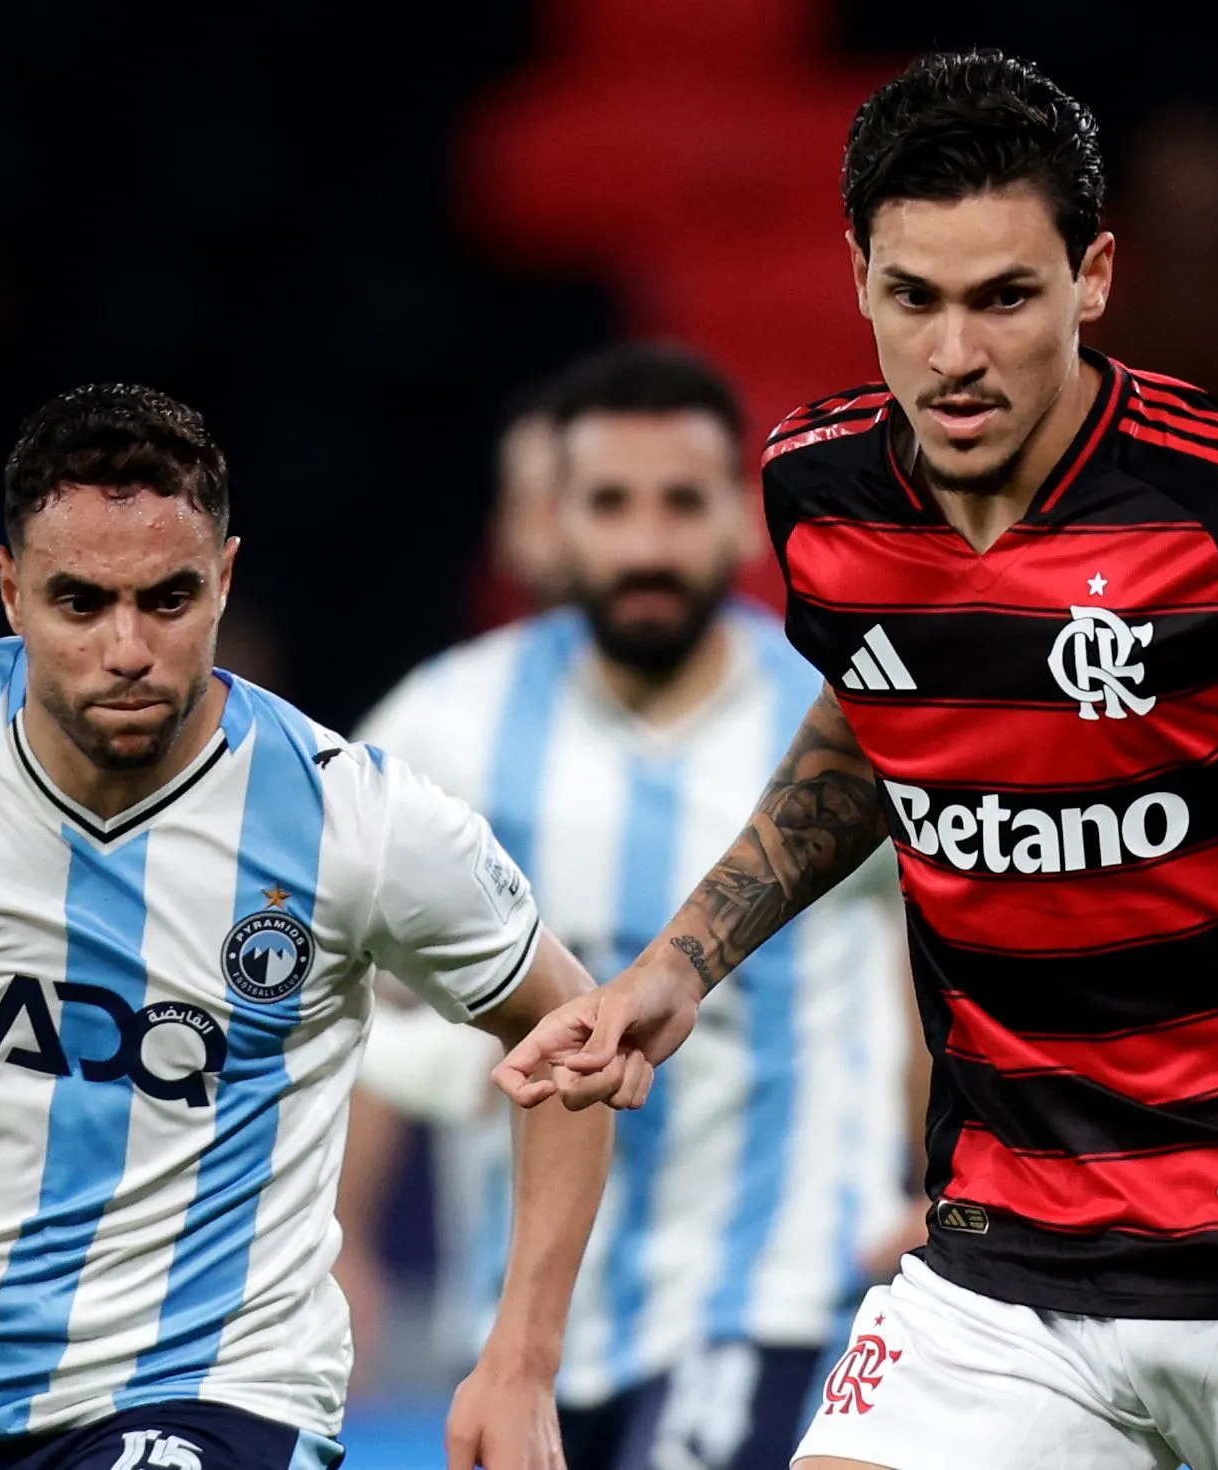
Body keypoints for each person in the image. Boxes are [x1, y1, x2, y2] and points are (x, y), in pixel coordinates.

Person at [497, 51, 1218, 1470]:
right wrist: (679, 963)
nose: (952, 354)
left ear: (1091, 277)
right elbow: (876, 713)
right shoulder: (816, 491)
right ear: (855, 276)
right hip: (1009, 1265)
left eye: (1003, 297)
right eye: (913, 298)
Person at [0, 384, 611, 1470]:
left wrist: (522, 1360)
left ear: (225, 581)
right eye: (80, 602)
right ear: (10, 591)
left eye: (168, 599)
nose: (127, 648)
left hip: (229, 1391)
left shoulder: (352, 815)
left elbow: (574, 1036)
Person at [336, 344, 921, 1470]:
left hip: (774, 1290)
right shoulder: (448, 722)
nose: (647, 543)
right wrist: (345, 1235)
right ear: (555, 521)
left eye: (682, 502)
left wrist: (944, 1188)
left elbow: (931, 967)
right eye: (610, 503)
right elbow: (363, 994)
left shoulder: (838, 726)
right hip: (520, 1311)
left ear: (742, 520)